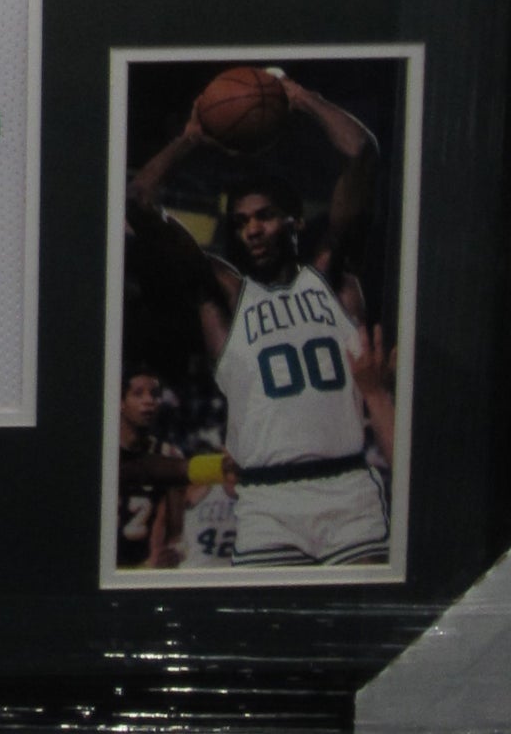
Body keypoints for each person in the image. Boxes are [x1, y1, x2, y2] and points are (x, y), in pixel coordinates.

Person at [128, 73, 391, 569]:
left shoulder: (333, 276)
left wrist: (302, 98)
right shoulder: (223, 296)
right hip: (267, 503)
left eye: (265, 216)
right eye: (242, 222)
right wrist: (190, 139)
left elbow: (362, 153)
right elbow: (138, 201)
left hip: (349, 491)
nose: (252, 229)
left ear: (295, 221)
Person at [115, 366, 183, 569]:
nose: (149, 401)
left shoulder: (169, 455)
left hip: (145, 566)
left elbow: (176, 532)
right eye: (138, 394)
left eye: (154, 394)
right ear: (120, 402)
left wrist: (172, 552)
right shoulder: (102, 452)